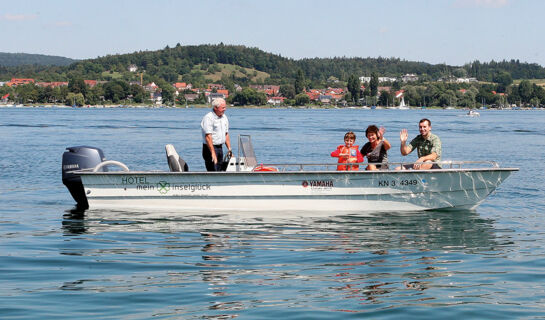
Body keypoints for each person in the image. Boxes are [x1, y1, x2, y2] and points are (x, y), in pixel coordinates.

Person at [201, 98, 231, 171]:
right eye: (223, 108)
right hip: (210, 148)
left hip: (220, 147)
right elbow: (208, 136)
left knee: (220, 169)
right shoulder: (209, 118)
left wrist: (229, 149)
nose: (225, 109)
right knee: (213, 170)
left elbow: (226, 134)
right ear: (215, 108)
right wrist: (213, 153)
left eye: (225, 107)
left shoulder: (224, 117)